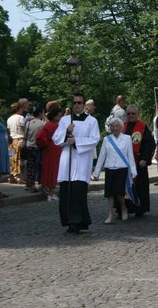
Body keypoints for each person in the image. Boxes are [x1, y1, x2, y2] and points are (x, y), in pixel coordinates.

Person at [53, 92, 100, 234]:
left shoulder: (92, 121)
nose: (76, 105)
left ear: (84, 105)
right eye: (74, 103)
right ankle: (69, 221)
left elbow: (94, 139)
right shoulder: (65, 120)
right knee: (66, 192)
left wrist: (77, 142)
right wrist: (66, 132)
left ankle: (79, 221)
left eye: (79, 102)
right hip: (67, 160)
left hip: (81, 160)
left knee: (78, 192)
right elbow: (56, 138)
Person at [94, 118, 137, 223]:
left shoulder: (127, 138)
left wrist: (133, 171)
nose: (115, 128)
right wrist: (96, 172)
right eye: (113, 126)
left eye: (117, 126)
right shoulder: (106, 139)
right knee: (109, 193)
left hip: (122, 168)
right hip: (109, 168)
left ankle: (123, 208)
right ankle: (110, 214)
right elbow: (102, 156)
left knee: (120, 193)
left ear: (121, 127)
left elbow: (130, 155)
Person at [122, 105, 155, 217]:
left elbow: (149, 144)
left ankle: (139, 208)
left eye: (133, 113)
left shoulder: (143, 127)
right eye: (129, 113)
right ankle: (124, 208)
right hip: (124, 162)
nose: (131, 115)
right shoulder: (122, 126)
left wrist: (144, 158)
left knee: (140, 186)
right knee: (124, 186)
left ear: (138, 114)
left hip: (138, 161)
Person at [36, 107, 63, 201]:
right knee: (53, 170)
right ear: (55, 116)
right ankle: (51, 192)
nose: (61, 116)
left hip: (47, 149)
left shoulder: (47, 124)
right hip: (54, 149)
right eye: (59, 115)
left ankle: (47, 191)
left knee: (47, 169)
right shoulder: (55, 126)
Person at [24, 104, 45, 192]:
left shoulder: (28, 123)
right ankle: (40, 183)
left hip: (29, 145)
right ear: (40, 113)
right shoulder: (42, 124)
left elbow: (25, 135)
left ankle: (29, 184)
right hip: (37, 147)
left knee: (30, 166)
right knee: (39, 166)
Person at [7, 102, 25, 184]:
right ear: (18, 109)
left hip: (11, 140)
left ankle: (11, 177)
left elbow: (8, 130)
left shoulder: (9, 118)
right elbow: (23, 128)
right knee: (19, 158)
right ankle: (19, 177)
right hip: (19, 139)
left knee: (12, 158)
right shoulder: (21, 117)